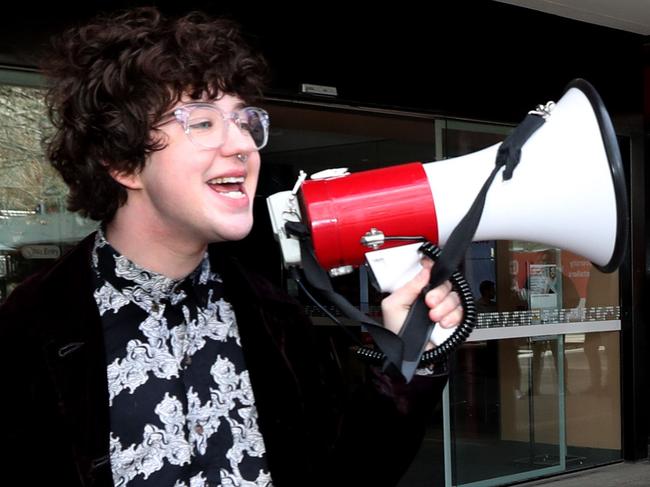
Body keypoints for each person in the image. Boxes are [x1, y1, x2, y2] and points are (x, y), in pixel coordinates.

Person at [0, 7, 463, 487]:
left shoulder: (275, 317)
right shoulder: (29, 328)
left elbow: (346, 470)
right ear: (122, 162)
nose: (242, 143)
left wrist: (409, 353)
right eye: (202, 122)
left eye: (244, 121)